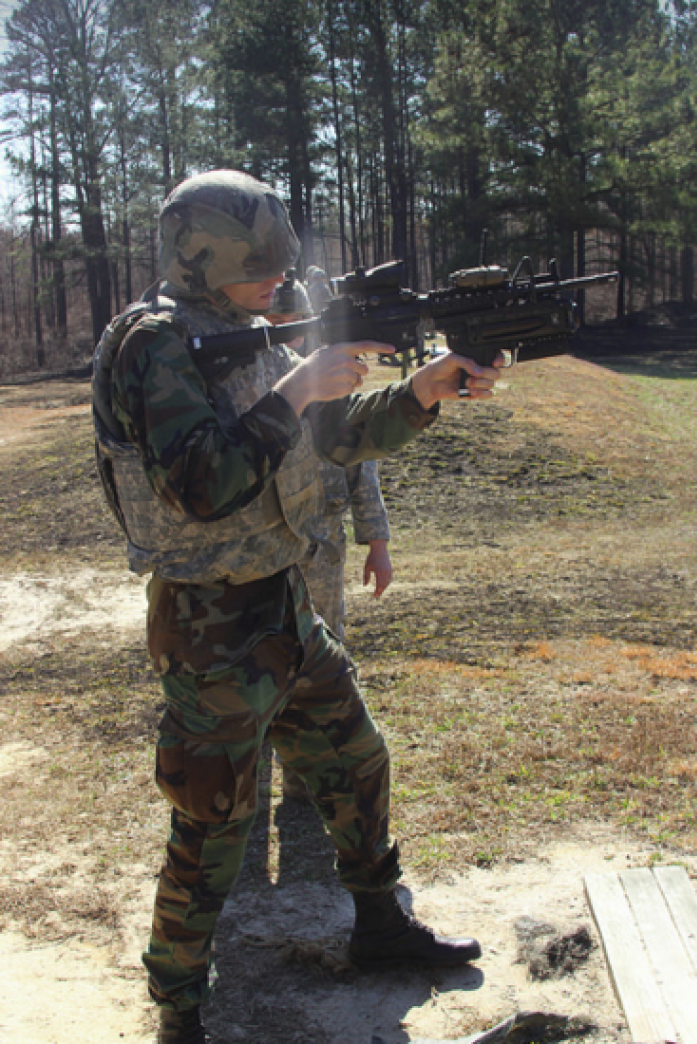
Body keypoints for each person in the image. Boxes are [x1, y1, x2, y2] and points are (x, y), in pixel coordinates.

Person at [92, 169, 506, 1044]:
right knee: (213, 821)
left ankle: (380, 923)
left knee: (358, 756)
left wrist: (424, 391)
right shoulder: (151, 343)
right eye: (259, 263)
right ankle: (179, 1004)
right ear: (198, 256)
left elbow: (333, 436)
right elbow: (202, 483)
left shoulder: (243, 331)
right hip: (208, 624)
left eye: (280, 261)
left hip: (283, 604)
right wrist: (298, 387)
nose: (278, 277)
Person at [267, 274, 394, 799]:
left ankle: (307, 779)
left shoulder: (327, 380)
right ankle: (247, 785)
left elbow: (360, 465)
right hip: (266, 552)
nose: (286, 335)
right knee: (257, 666)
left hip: (322, 550)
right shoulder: (246, 380)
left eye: (293, 325)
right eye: (275, 325)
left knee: (322, 661)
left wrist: (378, 544)